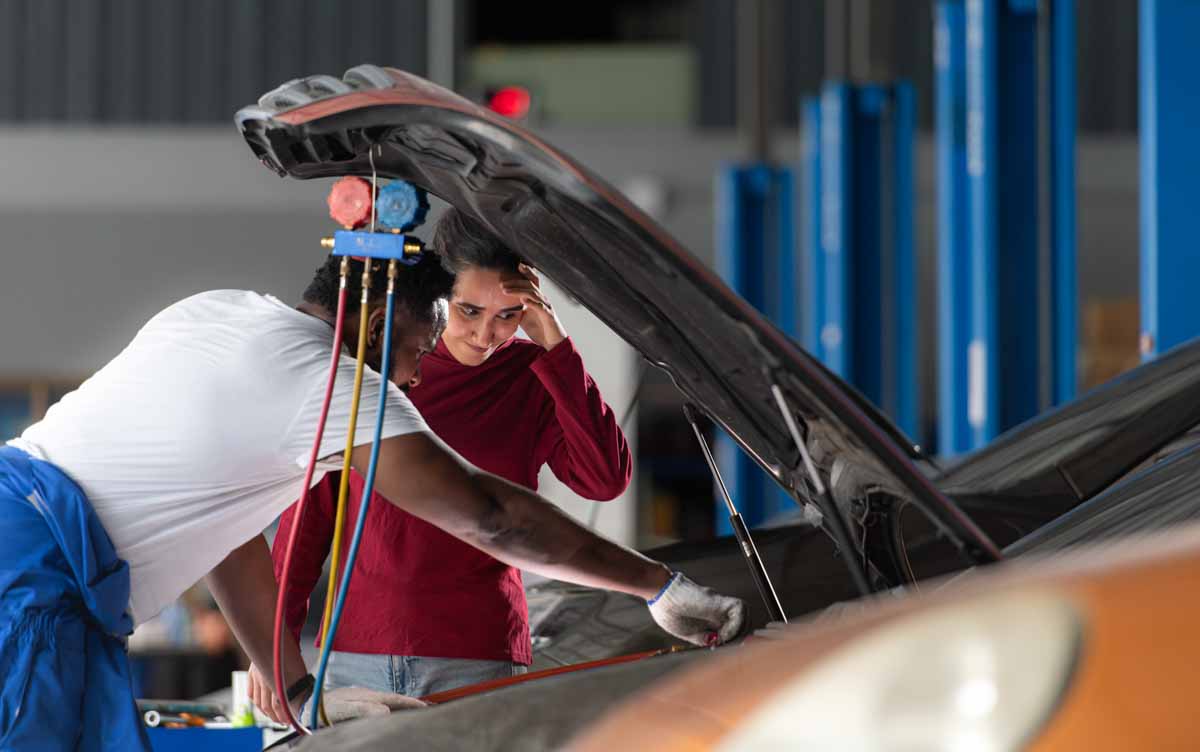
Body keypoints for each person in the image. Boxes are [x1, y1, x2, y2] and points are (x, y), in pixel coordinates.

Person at [0, 250, 744, 748]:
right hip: (37, 582)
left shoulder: (218, 310)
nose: (417, 376)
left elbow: (225, 532)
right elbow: (490, 516)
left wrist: (294, 685)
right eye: (422, 348)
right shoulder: (329, 382)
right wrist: (657, 584)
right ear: (383, 323)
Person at [267, 209, 634, 699]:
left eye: (509, 315)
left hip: (479, 656)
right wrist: (274, 646)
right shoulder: (383, 364)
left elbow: (604, 480)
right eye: (469, 311)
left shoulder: (535, 375)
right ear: (439, 296)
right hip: (356, 652)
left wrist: (555, 345)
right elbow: (308, 514)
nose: (486, 335)